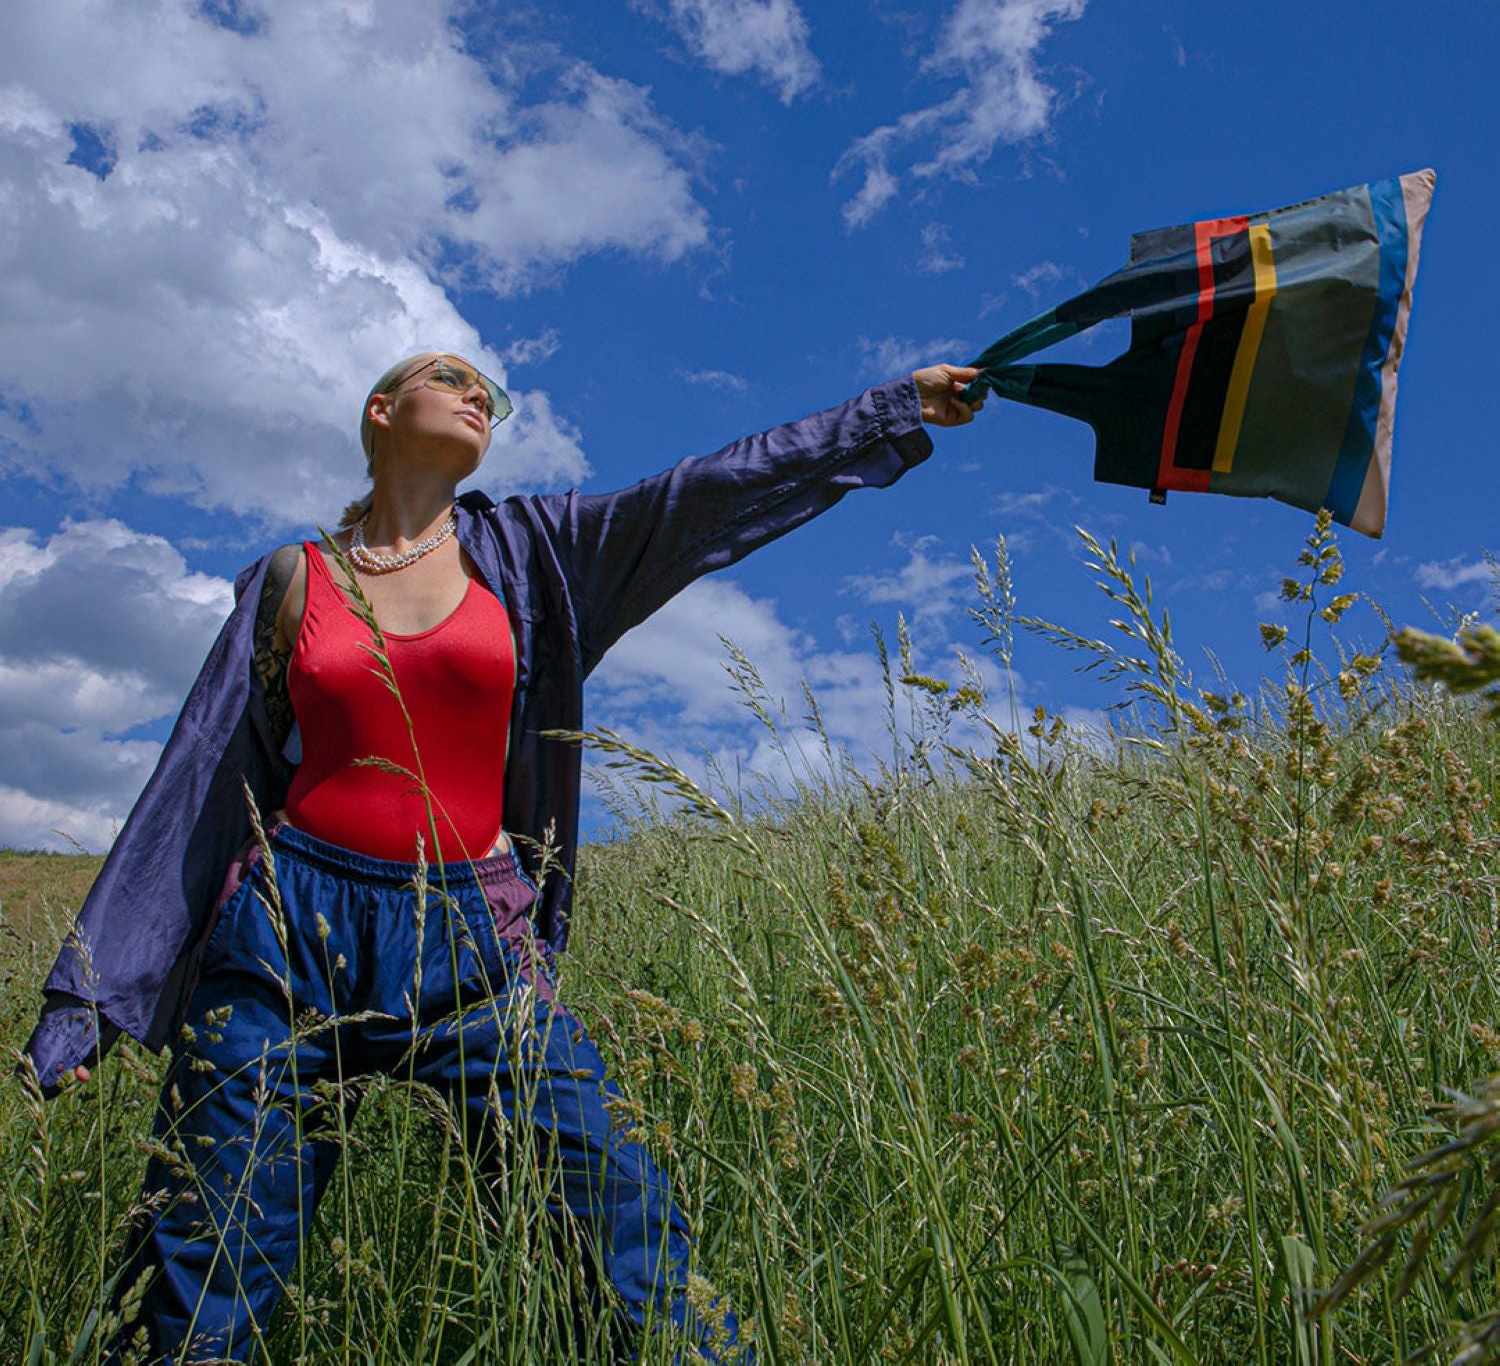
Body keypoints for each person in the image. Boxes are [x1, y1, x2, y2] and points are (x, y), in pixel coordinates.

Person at [23, 351, 980, 1361]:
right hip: (284, 940)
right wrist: (86, 993)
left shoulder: (537, 552)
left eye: (495, 395)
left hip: (479, 940)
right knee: (205, 1268)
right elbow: (200, 775)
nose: (482, 394)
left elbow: (704, 490)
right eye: (453, 377)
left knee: (624, 1231)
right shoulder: (292, 580)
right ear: (381, 409)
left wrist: (886, 409)